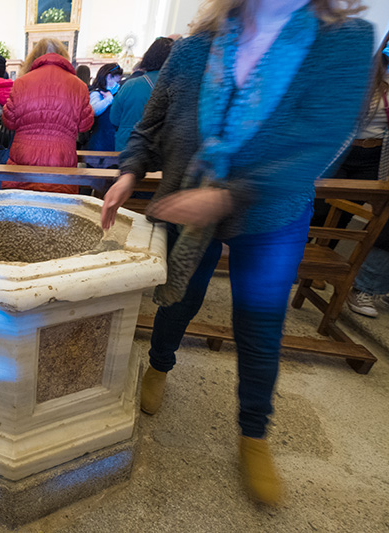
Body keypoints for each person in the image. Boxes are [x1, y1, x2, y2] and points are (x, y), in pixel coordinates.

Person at [101, 0, 373, 505]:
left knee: (260, 319)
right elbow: (149, 128)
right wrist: (130, 173)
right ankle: (159, 365)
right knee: (178, 296)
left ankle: (254, 435)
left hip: (272, 210)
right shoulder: (193, 51)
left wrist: (225, 196)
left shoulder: (343, 40)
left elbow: (317, 142)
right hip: (188, 197)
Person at [1, 38, 94, 194]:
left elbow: (8, 121)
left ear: (34, 56)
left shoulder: (21, 82)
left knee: (19, 212)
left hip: (23, 162)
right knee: (59, 211)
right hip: (61, 163)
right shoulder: (79, 85)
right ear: (63, 56)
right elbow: (85, 124)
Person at [345, 31, 389, 317]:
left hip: (375, 154)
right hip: (347, 149)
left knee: (351, 212)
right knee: (321, 208)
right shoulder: (365, 74)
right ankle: (298, 261)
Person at [110, 37, 175, 151]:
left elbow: (114, 118)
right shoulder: (176, 86)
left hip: (127, 146)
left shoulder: (130, 85)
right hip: (161, 148)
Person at [83, 63, 122, 152]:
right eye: (117, 81)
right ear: (109, 77)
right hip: (98, 142)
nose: (118, 85)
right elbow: (94, 110)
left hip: (110, 140)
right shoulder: (96, 93)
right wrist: (109, 99)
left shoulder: (113, 94)